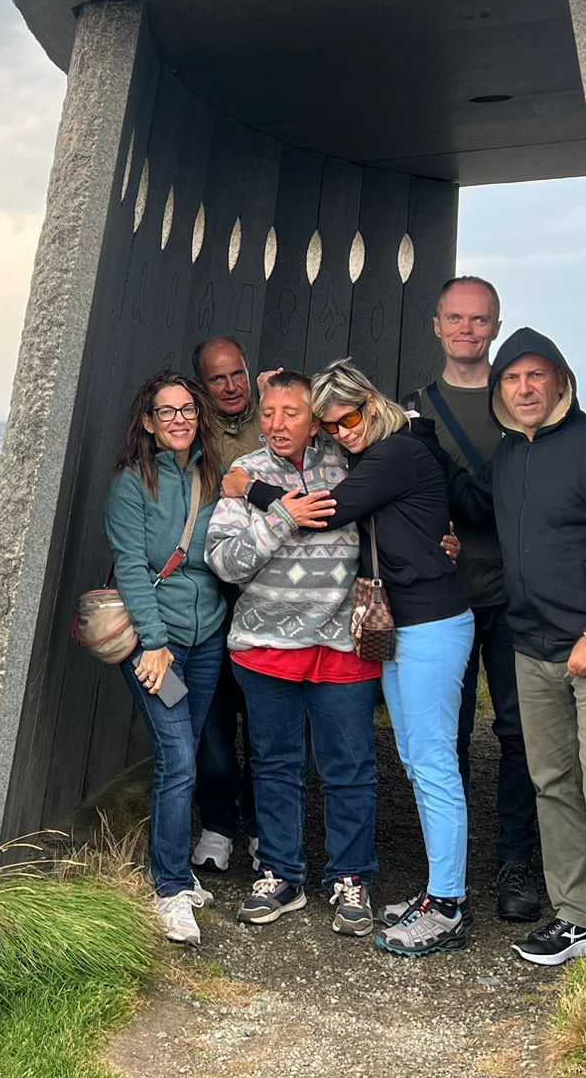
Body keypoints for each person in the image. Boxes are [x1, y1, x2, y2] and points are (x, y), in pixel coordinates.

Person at [246, 357, 476, 958]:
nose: (341, 434)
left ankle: (448, 904)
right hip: (402, 624)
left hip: (430, 622)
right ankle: (438, 893)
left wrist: (250, 488)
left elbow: (329, 510)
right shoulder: (381, 450)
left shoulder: (395, 451)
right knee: (414, 758)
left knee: (432, 764)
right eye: (329, 427)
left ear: (370, 405)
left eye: (347, 419)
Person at [451, 329, 586, 964]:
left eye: (536, 377)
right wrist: (420, 448)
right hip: (530, 644)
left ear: (560, 382)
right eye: (512, 379)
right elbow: (477, 505)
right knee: (553, 782)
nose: (524, 389)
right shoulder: (511, 454)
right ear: (500, 391)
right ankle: (575, 916)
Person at [204, 370, 382, 936]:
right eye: (269, 413)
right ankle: (280, 873)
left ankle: (351, 878)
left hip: (341, 642)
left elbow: (390, 503)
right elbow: (225, 562)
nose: (277, 425)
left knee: (348, 768)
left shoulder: (351, 462)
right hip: (264, 645)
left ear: (315, 416)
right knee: (276, 766)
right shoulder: (244, 475)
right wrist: (283, 517)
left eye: (291, 413)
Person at [403, 277, 544, 923]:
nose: (467, 329)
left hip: (520, 597)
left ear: (494, 325)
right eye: (455, 318)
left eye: (479, 320)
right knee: (445, 739)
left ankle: (517, 863)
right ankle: (445, 869)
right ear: (437, 325)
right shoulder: (415, 412)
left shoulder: (522, 401)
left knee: (521, 734)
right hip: (444, 600)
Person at [104, 369, 229, 946]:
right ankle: (171, 888)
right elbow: (131, 566)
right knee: (176, 755)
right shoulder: (133, 484)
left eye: (187, 410)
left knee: (192, 746)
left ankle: (175, 869)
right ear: (149, 423)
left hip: (208, 640)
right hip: (159, 643)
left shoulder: (212, 474)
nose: (179, 419)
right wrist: (153, 643)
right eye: (167, 411)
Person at [190, 335, 260, 872]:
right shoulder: (190, 432)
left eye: (237, 373)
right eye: (218, 378)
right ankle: (218, 821)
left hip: (266, 591)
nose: (231, 386)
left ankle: (262, 825)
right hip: (210, 594)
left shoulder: (276, 419)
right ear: (203, 384)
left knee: (266, 717)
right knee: (212, 718)